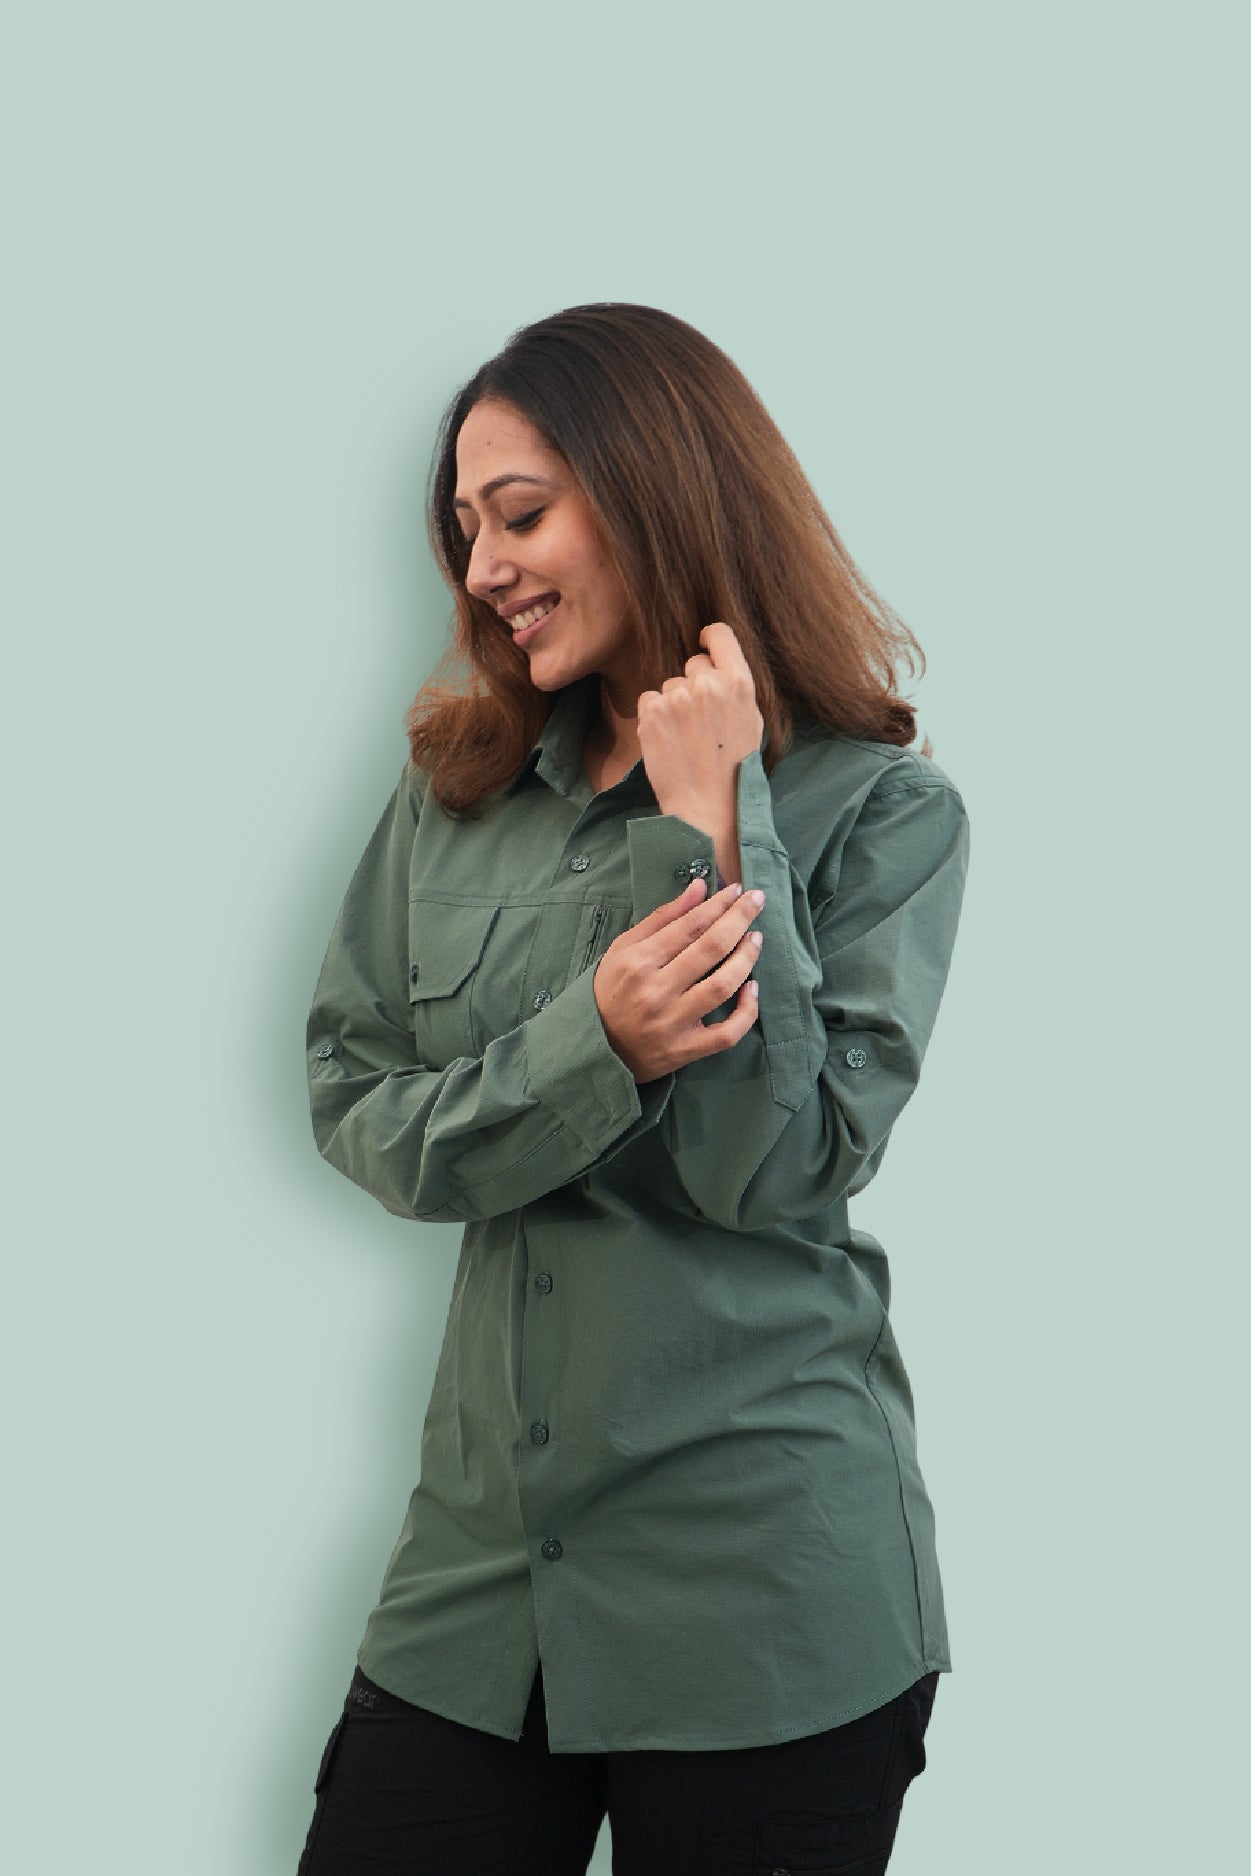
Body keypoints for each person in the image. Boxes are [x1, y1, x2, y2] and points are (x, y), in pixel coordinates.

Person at [297, 302, 971, 1876]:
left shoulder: (884, 811)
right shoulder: (458, 788)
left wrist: (716, 817)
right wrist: (587, 1047)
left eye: (521, 515)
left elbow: (773, 1172)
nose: (482, 568)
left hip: (766, 1602)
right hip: (479, 1583)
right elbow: (353, 1096)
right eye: (466, 530)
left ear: (655, 492)